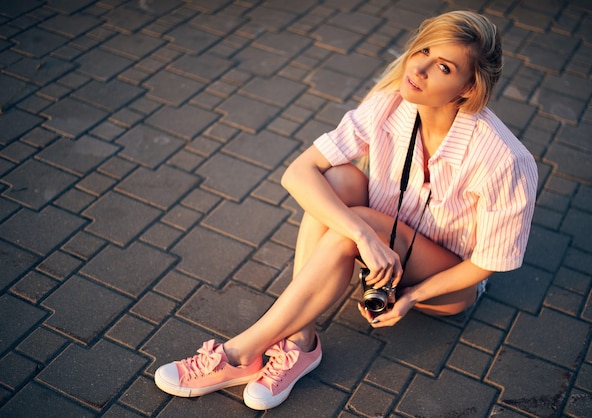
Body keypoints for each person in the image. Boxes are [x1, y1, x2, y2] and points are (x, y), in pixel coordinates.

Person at [154, 10, 538, 410]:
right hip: (382, 246)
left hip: (447, 285)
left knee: (354, 222)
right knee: (338, 180)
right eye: (422, 50)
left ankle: (238, 355)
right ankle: (300, 342)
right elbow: (298, 172)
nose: (418, 67)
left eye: (443, 66)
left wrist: (410, 296)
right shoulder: (389, 104)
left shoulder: (504, 159)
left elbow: (490, 261)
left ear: (467, 88)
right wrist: (364, 237)